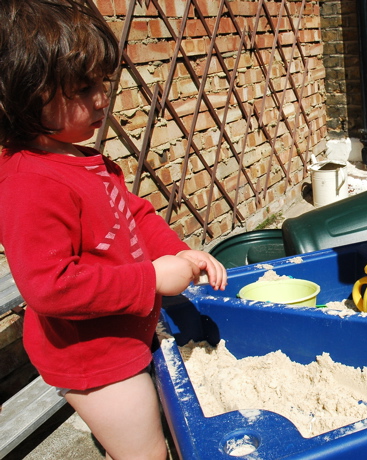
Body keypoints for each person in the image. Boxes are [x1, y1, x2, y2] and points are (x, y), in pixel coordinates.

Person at [0, 1, 227, 458]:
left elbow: (134, 215)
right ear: (28, 93)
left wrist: (178, 253)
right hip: (92, 356)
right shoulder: (29, 183)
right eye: (83, 89)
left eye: (102, 83)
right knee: (146, 453)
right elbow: (50, 286)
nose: (102, 99)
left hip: (122, 332)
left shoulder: (79, 158)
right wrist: (151, 279)